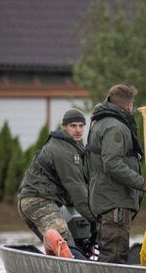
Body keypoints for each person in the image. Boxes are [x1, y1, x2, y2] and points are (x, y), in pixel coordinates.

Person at [87, 84, 146, 264]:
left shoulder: (99, 122)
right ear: (129, 106)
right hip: (114, 202)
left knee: (110, 252)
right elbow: (112, 163)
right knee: (114, 256)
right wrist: (143, 184)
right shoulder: (116, 128)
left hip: (105, 199)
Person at [17, 108, 93, 259]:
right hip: (39, 202)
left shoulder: (71, 146)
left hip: (33, 201)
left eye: (81, 126)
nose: (78, 130)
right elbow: (77, 190)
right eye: (73, 126)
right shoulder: (63, 151)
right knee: (67, 248)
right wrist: (95, 220)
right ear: (64, 127)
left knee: (58, 252)